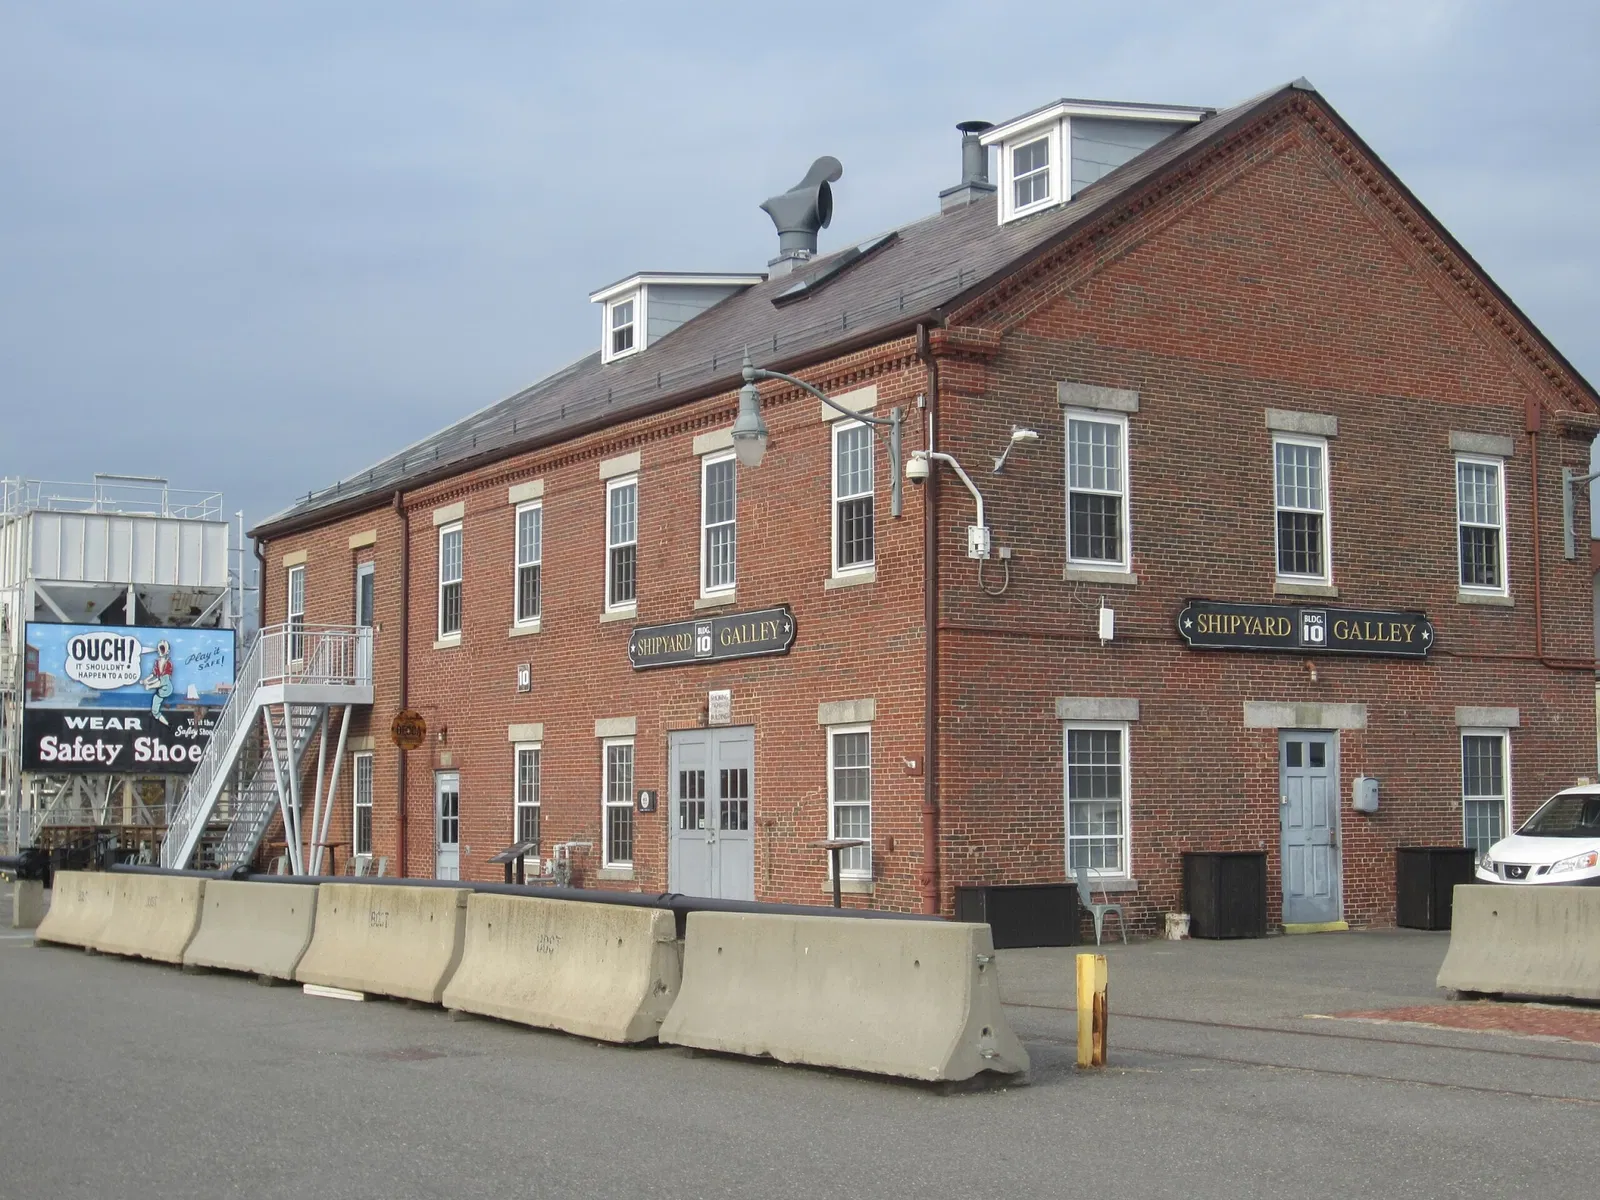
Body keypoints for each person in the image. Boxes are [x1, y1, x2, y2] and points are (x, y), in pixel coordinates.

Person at [143, 639, 174, 726]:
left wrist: (150, 686)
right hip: (160, 688)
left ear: (167, 651)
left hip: (166, 689)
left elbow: (163, 682)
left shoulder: (168, 664)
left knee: (157, 701)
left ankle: (167, 724)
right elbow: (154, 674)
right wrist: (146, 680)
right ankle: (166, 723)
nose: (160, 651)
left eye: (162, 649)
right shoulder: (157, 662)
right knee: (154, 711)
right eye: (160, 648)